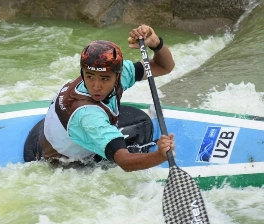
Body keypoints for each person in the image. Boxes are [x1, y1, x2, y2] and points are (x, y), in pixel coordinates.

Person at [24, 24, 175, 172]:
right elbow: (124, 162)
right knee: (137, 135)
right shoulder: (88, 117)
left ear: (118, 75)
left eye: (104, 79)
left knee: (137, 122)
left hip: (55, 136)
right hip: (63, 164)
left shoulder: (120, 74)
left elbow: (164, 66)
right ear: (83, 73)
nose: (96, 86)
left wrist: (156, 43)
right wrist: (159, 156)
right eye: (90, 77)